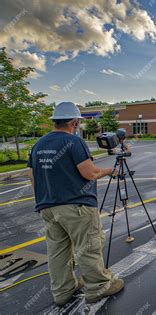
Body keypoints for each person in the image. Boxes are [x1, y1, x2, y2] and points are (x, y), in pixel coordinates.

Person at [27, 102, 124, 306]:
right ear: (73, 121)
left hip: (47, 207)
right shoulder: (73, 142)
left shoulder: (38, 144)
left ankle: (63, 291)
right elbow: (90, 173)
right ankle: (98, 287)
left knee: (58, 251)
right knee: (88, 246)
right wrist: (110, 171)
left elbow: (32, 177)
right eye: (78, 122)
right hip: (76, 206)